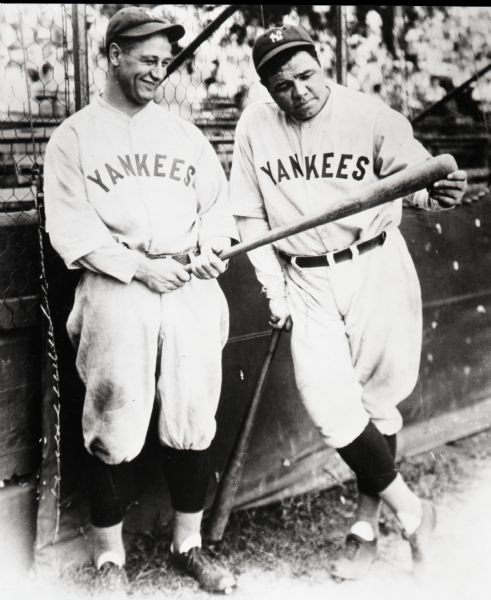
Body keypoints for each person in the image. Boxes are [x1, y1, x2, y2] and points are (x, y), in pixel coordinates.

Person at [229, 24, 467, 581]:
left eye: (307, 75)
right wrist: (275, 290)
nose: (299, 91)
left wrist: (436, 194)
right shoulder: (254, 127)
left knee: (379, 403)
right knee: (330, 407)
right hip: (306, 277)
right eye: (283, 84)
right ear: (267, 88)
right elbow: (249, 217)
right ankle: (413, 513)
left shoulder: (369, 115)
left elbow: (417, 175)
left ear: (323, 62)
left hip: (375, 263)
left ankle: (366, 526)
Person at [43, 7, 238, 597]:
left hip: (186, 281)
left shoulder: (185, 135)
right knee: (114, 412)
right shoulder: (73, 136)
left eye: (165, 61)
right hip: (116, 281)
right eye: (147, 60)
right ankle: (108, 558)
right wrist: (136, 267)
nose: (158, 71)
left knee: (193, 410)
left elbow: (218, 209)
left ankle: (189, 545)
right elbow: (70, 228)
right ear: (113, 56)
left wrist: (212, 249)